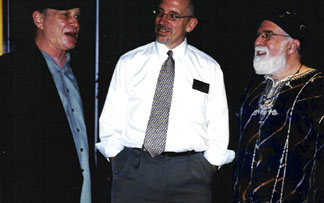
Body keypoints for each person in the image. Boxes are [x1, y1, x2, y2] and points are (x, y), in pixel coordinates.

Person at [96, 0, 235, 202]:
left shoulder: (208, 68)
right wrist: (118, 160)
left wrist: (208, 166)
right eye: (160, 13)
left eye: (173, 15)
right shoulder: (130, 62)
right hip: (134, 172)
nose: (162, 20)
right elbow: (110, 119)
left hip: (190, 176)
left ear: (191, 24)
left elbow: (219, 126)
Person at [0, 1, 95, 202]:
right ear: (39, 20)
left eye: (77, 16)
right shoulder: (10, 71)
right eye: (65, 15)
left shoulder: (84, 73)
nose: (75, 23)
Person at [233, 9, 324, 202]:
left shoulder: (317, 89)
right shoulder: (253, 87)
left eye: (267, 35)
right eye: (258, 35)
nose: (257, 42)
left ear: (291, 46)